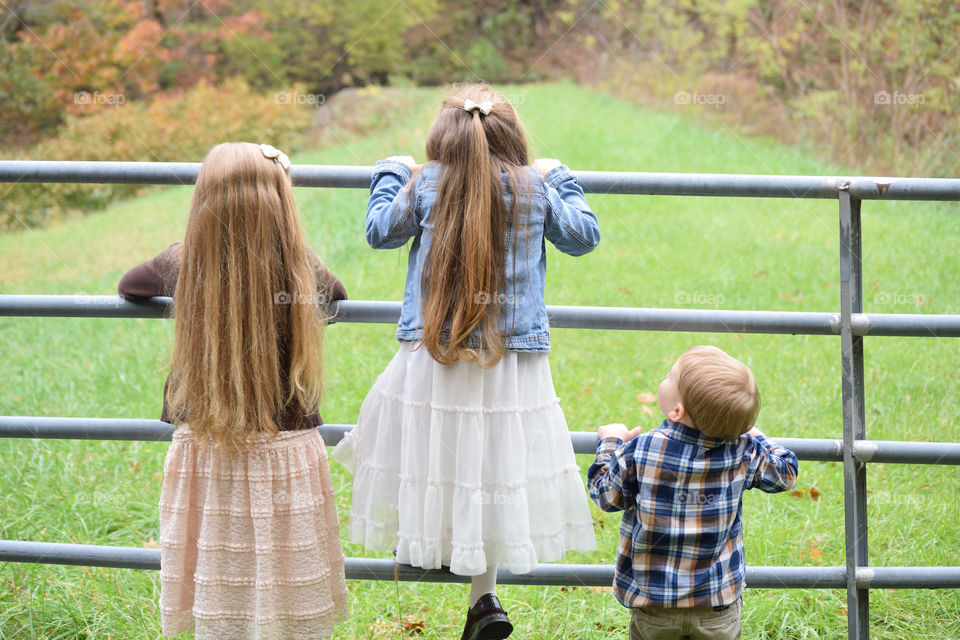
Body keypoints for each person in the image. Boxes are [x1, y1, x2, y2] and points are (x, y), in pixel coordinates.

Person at [331, 85, 600, 640]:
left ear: (441, 140)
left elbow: (380, 231)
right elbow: (583, 237)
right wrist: (556, 176)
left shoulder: (427, 182)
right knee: (492, 466)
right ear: (513, 136)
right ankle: (484, 597)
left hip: (434, 350)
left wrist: (391, 169)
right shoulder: (533, 188)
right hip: (510, 362)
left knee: (418, 444)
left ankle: (433, 545)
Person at [118, 142, 349, 640]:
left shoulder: (184, 261)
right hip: (285, 448)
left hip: (209, 443)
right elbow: (338, 292)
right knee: (283, 573)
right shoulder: (297, 266)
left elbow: (131, 285)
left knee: (221, 566)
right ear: (281, 202)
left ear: (204, 199)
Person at [588, 345, 798, 640]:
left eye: (668, 376)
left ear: (677, 410)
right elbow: (785, 473)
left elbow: (604, 495)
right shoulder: (744, 452)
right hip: (716, 607)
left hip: (655, 605)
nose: (664, 378)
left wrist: (611, 442)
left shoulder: (642, 449)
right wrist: (754, 433)